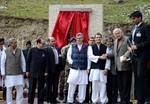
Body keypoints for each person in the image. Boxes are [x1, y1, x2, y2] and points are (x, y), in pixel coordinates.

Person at [104, 28, 132, 104]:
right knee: (120, 86)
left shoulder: (127, 39)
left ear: (121, 33)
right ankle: (122, 100)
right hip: (117, 68)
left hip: (126, 66)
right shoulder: (115, 41)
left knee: (126, 86)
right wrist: (107, 55)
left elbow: (130, 49)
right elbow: (114, 53)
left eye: (118, 33)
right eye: (115, 34)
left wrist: (125, 56)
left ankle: (126, 101)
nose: (117, 35)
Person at [129, 11, 150, 104]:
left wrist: (137, 46)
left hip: (143, 57)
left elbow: (148, 41)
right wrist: (130, 47)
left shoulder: (146, 27)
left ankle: (146, 99)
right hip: (134, 57)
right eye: (132, 19)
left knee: (142, 77)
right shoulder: (134, 28)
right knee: (137, 78)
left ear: (139, 18)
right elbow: (130, 40)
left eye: (134, 18)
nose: (133, 20)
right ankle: (138, 99)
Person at [1, 38, 26, 104]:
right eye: (14, 43)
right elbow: (2, 63)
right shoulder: (5, 51)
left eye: (16, 43)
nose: (15, 44)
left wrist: (24, 71)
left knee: (20, 88)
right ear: (10, 43)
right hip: (9, 74)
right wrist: (3, 73)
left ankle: (19, 102)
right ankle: (9, 102)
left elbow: (23, 61)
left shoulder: (20, 50)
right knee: (9, 89)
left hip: (19, 73)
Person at [67, 32, 89, 104]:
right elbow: (68, 56)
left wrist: (88, 68)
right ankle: (70, 100)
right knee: (71, 84)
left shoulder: (87, 46)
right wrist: (71, 62)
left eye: (80, 38)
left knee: (82, 85)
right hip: (74, 68)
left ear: (83, 38)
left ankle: (81, 100)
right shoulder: (72, 46)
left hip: (83, 68)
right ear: (76, 38)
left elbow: (89, 58)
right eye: (77, 38)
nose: (79, 39)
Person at [88, 33, 108, 104]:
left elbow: (107, 59)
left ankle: (103, 100)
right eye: (97, 37)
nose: (98, 38)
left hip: (103, 68)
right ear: (95, 39)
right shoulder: (91, 47)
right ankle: (94, 100)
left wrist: (106, 68)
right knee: (94, 84)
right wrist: (99, 57)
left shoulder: (105, 47)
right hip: (94, 68)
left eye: (99, 37)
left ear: (101, 38)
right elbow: (90, 57)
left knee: (103, 84)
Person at [26, 38, 47, 104]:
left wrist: (46, 71)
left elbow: (46, 63)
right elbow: (28, 61)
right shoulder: (32, 50)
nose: (43, 45)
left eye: (44, 44)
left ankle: (40, 102)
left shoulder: (44, 51)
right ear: (38, 43)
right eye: (42, 43)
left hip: (41, 73)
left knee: (41, 89)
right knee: (32, 88)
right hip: (32, 72)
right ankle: (30, 102)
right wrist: (27, 71)